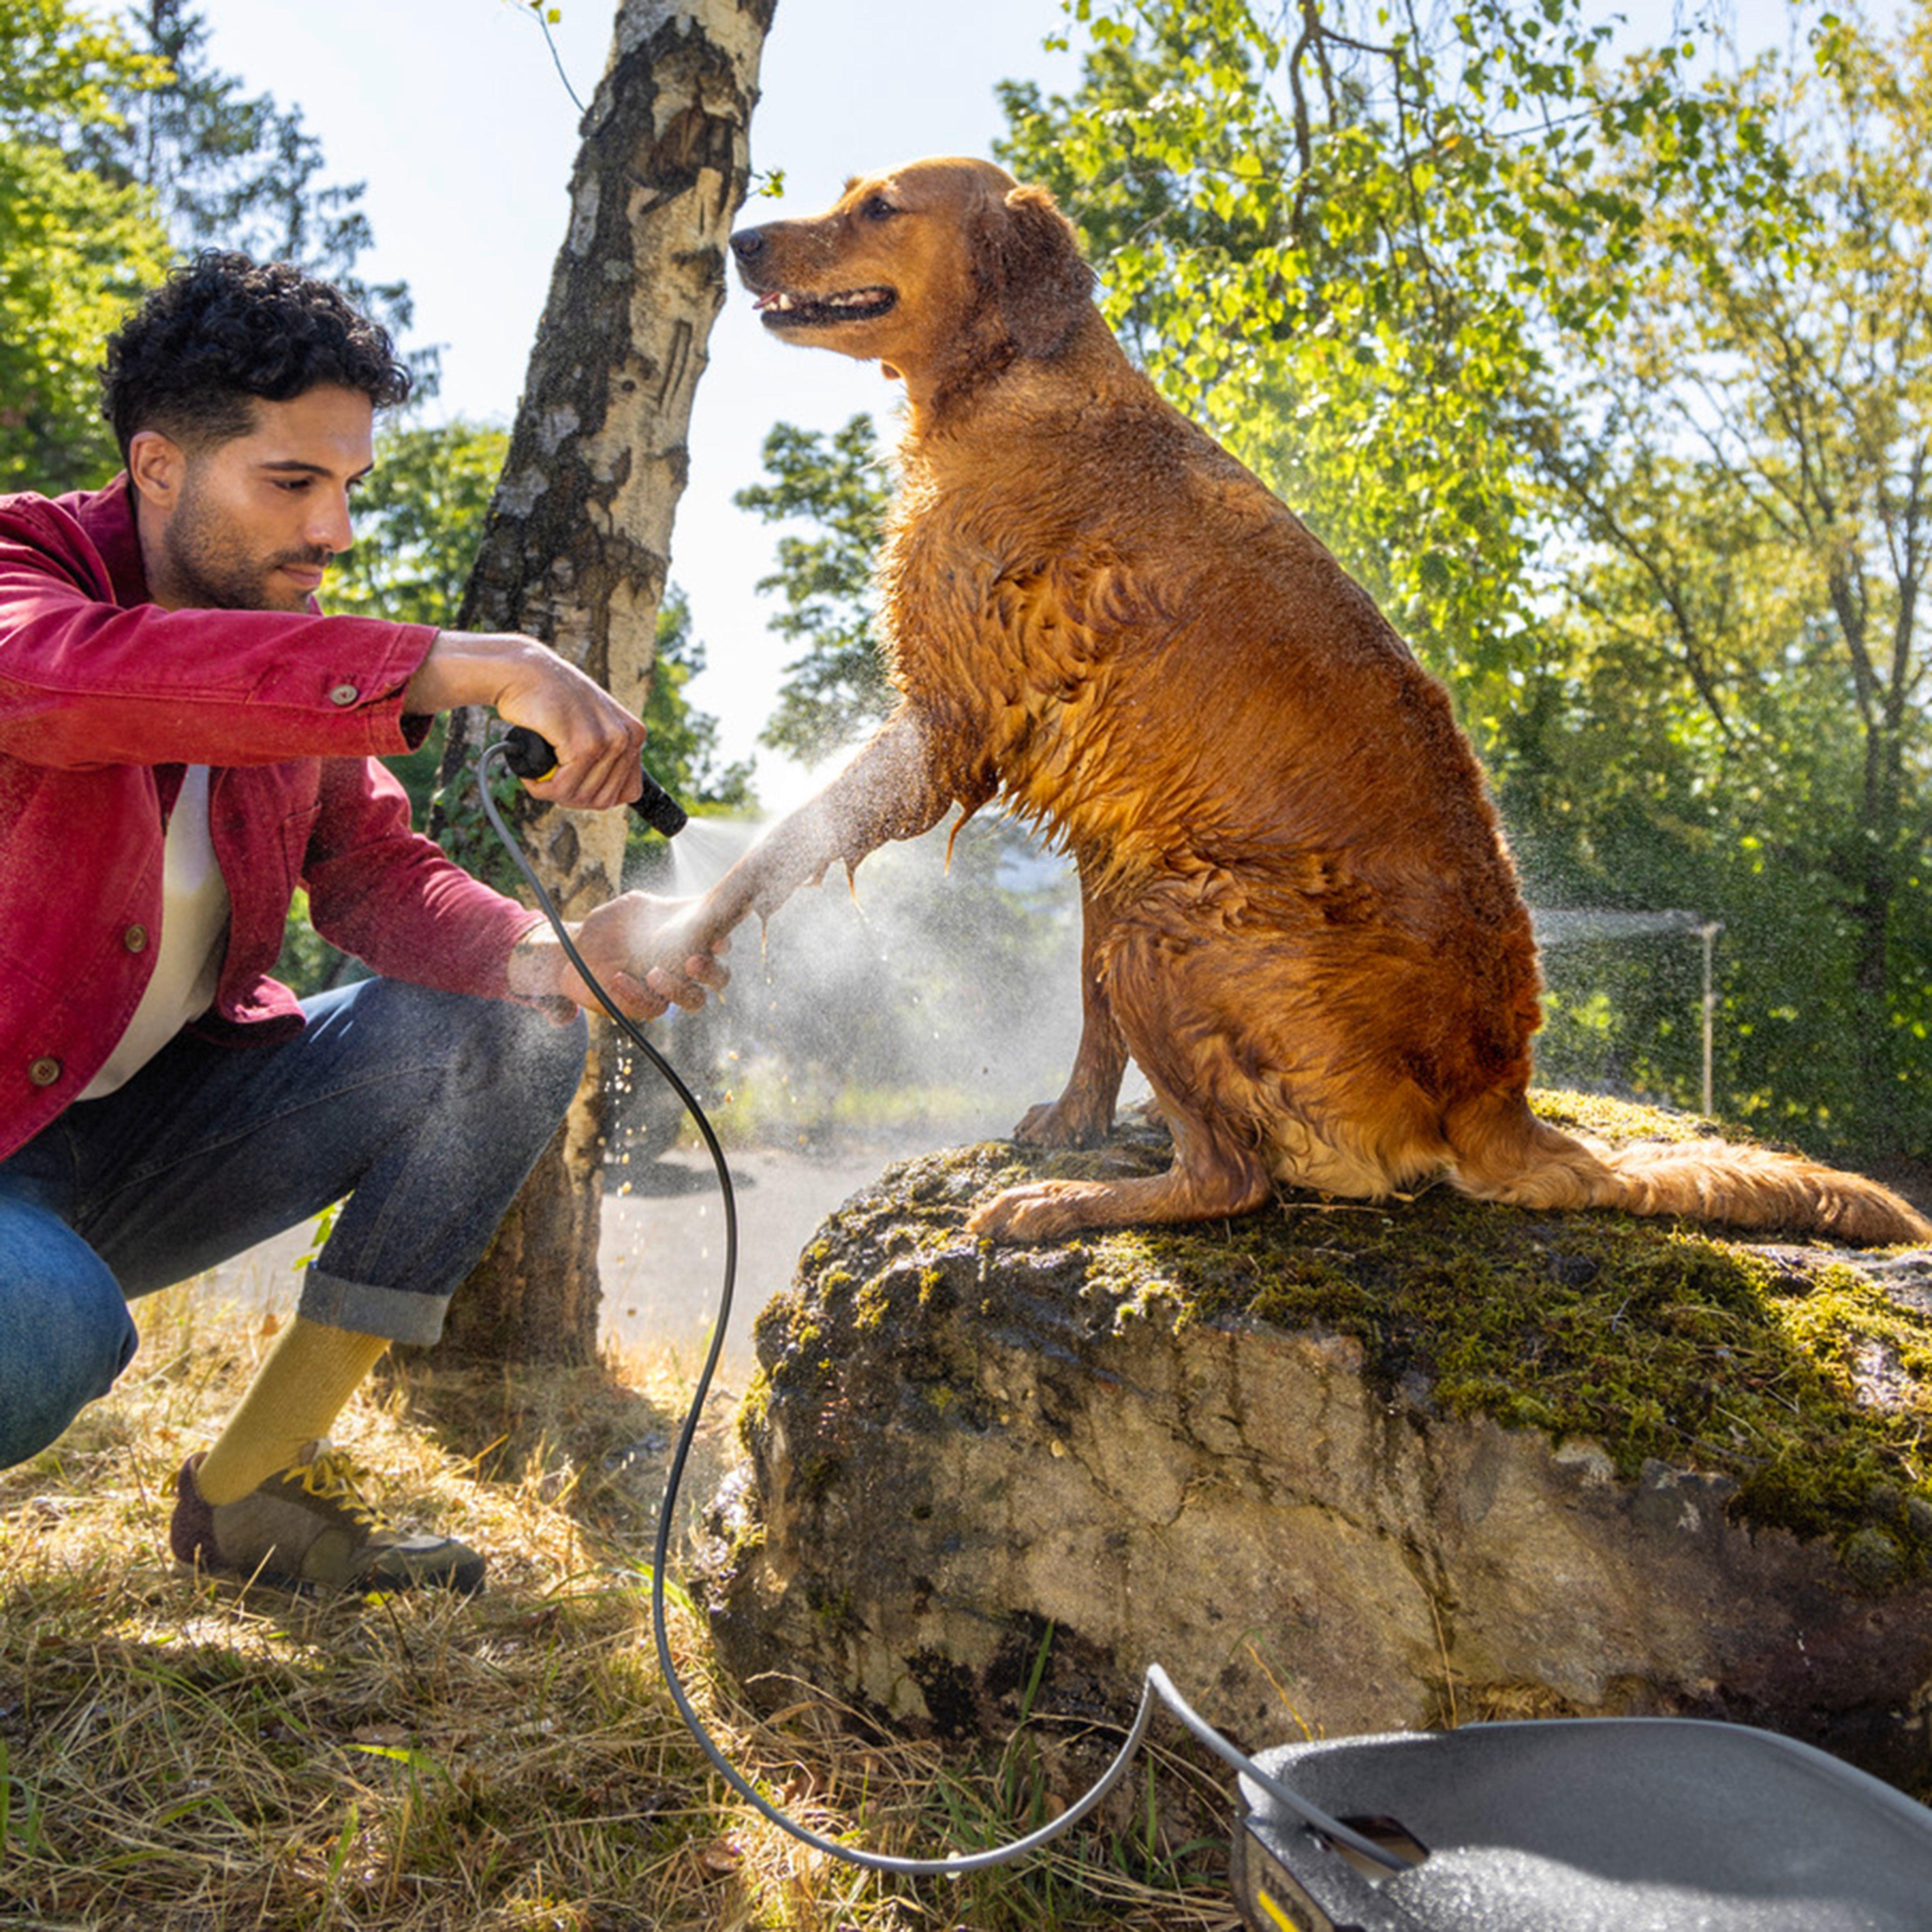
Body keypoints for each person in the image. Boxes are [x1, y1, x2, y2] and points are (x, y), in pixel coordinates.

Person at [0, 252, 727, 1596]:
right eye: (292, 482)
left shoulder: (289, 640)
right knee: (37, 1329)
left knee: (511, 1032)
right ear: (157, 467)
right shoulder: (20, 572)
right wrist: (471, 664)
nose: (333, 530)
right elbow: (63, 685)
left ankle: (251, 1492)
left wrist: (549, 958)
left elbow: (374, 872)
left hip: (143, 1134)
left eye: (348, 486)